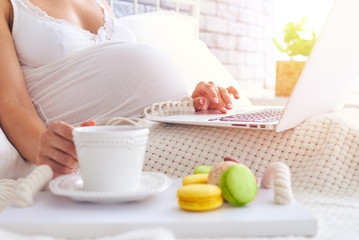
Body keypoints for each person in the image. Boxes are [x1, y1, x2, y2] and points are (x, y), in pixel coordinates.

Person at [0, 0, 240, 177]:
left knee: (264, 141)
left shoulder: (100, 3)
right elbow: (10, 100)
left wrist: (192, 100)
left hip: (165, 125)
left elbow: (115, 75)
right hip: (108, 148)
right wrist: (41, 146)